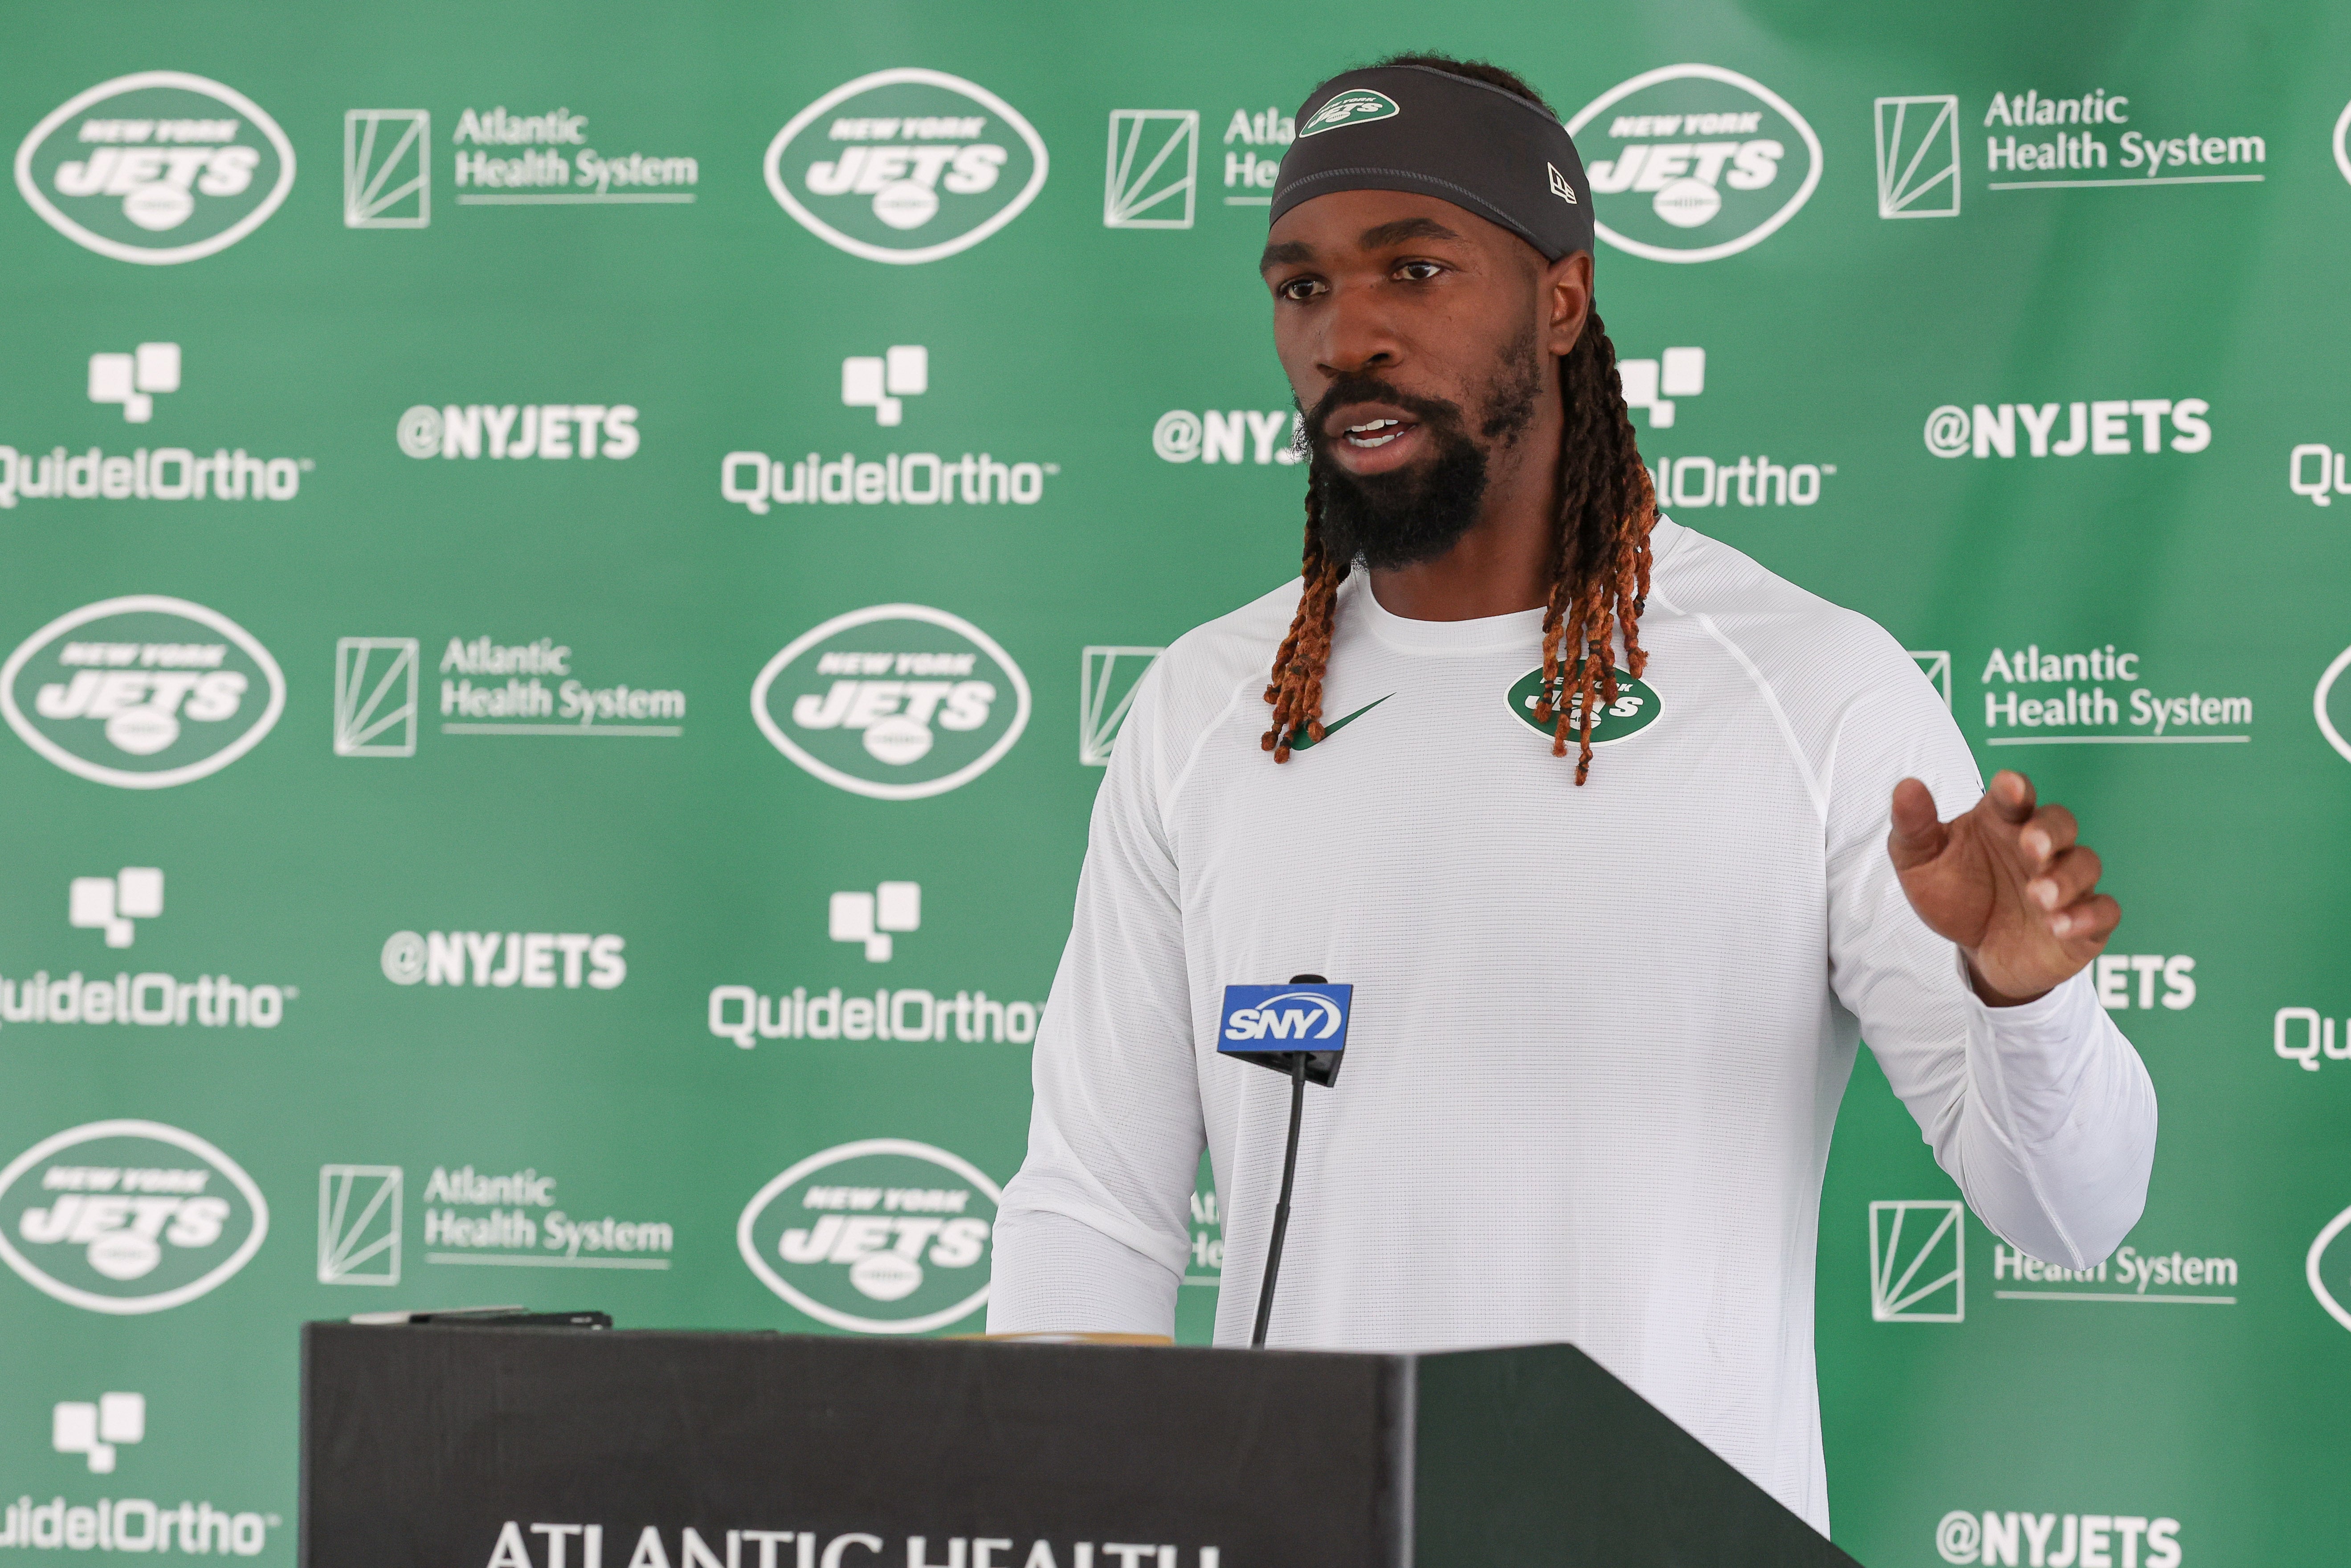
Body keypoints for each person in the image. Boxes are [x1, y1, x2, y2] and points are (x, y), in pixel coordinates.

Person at [989, 54, 2155, 1531]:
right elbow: (1092, 1207)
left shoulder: (1807, 690)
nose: (1348, 331)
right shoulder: (1207, 710)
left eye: (1415, 268)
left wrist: (2024, 1000)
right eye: (1301, 288)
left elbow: (2073, 1211)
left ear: (1560, 298)